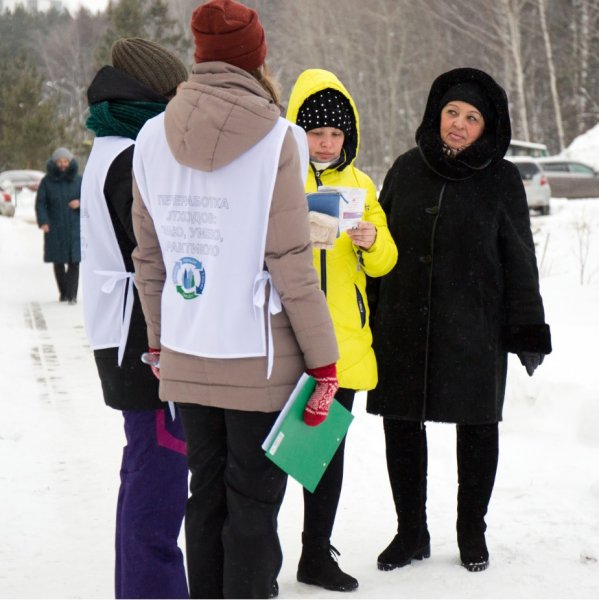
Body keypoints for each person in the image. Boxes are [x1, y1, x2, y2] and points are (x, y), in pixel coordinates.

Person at [130, 1, 340, 598]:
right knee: (253, 505)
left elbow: (151, 260)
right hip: (260, 360)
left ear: (199, 55)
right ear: (258, 58)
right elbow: (291, 263)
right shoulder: (281, 139)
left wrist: (157, 341)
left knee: (207, 495)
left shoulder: (150, 137)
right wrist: (325, 363)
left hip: (188, 349)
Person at [367, 67, 552, 573]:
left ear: (487, 127)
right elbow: (380, 247)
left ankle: (472, 530)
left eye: (472, 117)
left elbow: (520, 256)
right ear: (436, 113)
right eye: (452, 112)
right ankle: (411, 532)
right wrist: (370, 311)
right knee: (401, 424)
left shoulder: (503, 179)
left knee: (477, 427)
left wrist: (527, 326)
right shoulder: (405, 169)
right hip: (404, 323)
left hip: (475, 327)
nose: (459, 124)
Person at [80, 38, 190, 599]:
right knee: (159, 480)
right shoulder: (130, 155)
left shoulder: (112, 143)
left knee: (145, 469)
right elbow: (150, 252)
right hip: (140, 335)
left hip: (121, 329)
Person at [286, 69, 397, 592]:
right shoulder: (279, 177)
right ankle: (256, 555)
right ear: (296, 131)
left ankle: (315, 553)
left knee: (321, 455)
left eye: (335, 134)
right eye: (315, 133)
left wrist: (373, 240)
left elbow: (384, 264)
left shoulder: (361, 184)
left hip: (342, 344)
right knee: (266, 458)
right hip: (283, 340)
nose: (327, 143)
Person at [35, 147, 82, 304]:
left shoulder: (79, 180)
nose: (63, 164)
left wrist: (80, 203)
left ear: (70, 162)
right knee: (59, 261)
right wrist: (44, 221)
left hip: (75, 227)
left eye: (65, 161)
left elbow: (90, 199)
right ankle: (64, 293)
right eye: (59, 161)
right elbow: (41, 203)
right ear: (54, 163)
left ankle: (72, 295)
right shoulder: (47, 181)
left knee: (74, 262)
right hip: (55, 227)